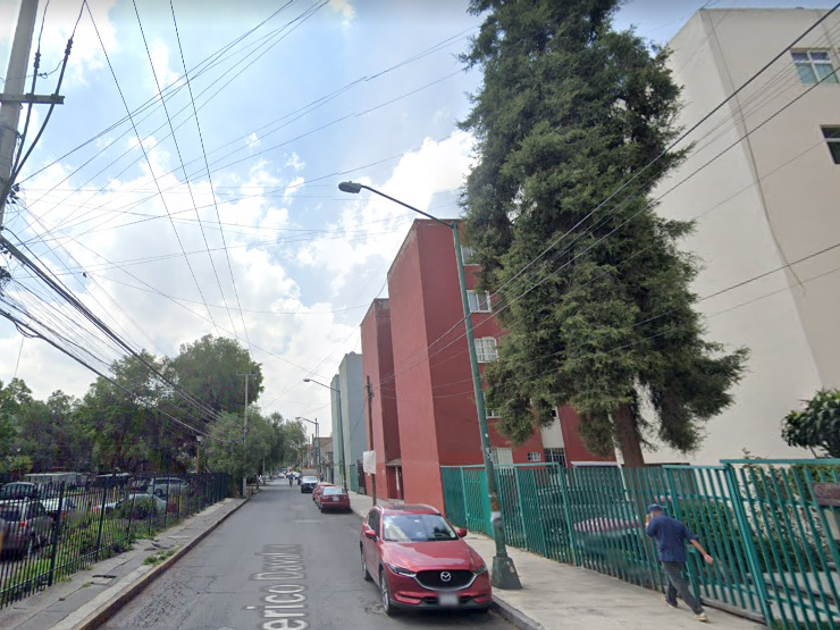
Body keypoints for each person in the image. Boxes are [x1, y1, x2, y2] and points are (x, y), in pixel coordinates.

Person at [645, 504, 713, 623]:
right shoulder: (677, 523)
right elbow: (692, 539)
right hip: (680, 557)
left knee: (678, 583)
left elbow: (649, 533)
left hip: (667, 557)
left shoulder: (655, 521)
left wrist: (647, 523)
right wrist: (704, 554)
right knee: (674, 578)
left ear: (653, 513)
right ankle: (671, 599)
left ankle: (698, 610)